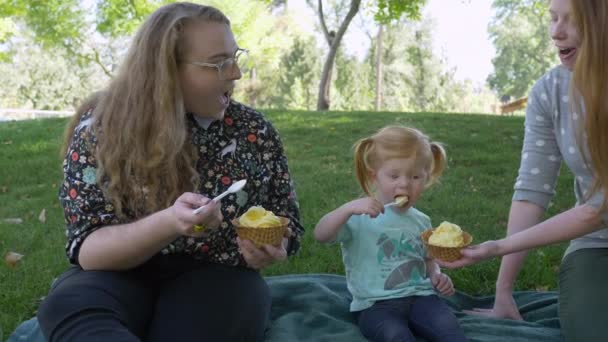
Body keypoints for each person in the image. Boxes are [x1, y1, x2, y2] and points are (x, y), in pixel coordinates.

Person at [36, 3, 304, 341]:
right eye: (219, 63)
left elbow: (287, 219)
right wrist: (169, 223)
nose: (235, 73)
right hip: (113, 274)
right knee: (71, 305)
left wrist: (275, 244)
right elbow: (88, 248)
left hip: (215, 278)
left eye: (234, 57)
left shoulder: (252, 131)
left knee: (237, 303)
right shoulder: (102, 128)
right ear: (165, 70)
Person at [437, 0, 608, 341]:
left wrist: (497, 246)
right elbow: (532, 190)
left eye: (571, 20)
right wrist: (504, 291)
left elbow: (599, 208)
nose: (556, 32)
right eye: (553, 18)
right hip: (597, 245)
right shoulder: (550, 91)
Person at [314, 126, 468, 342]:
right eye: (394, 175)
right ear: (374, 176)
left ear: (426, 178)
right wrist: (346, 209)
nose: (404, 183)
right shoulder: (358, 216)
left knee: (450, 330)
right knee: (395, 335)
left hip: (421, 298)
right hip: (375, 305)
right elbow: (321, 235)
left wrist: (436, 274)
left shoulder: (421, 220)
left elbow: (427, 259)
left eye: (415, 176)